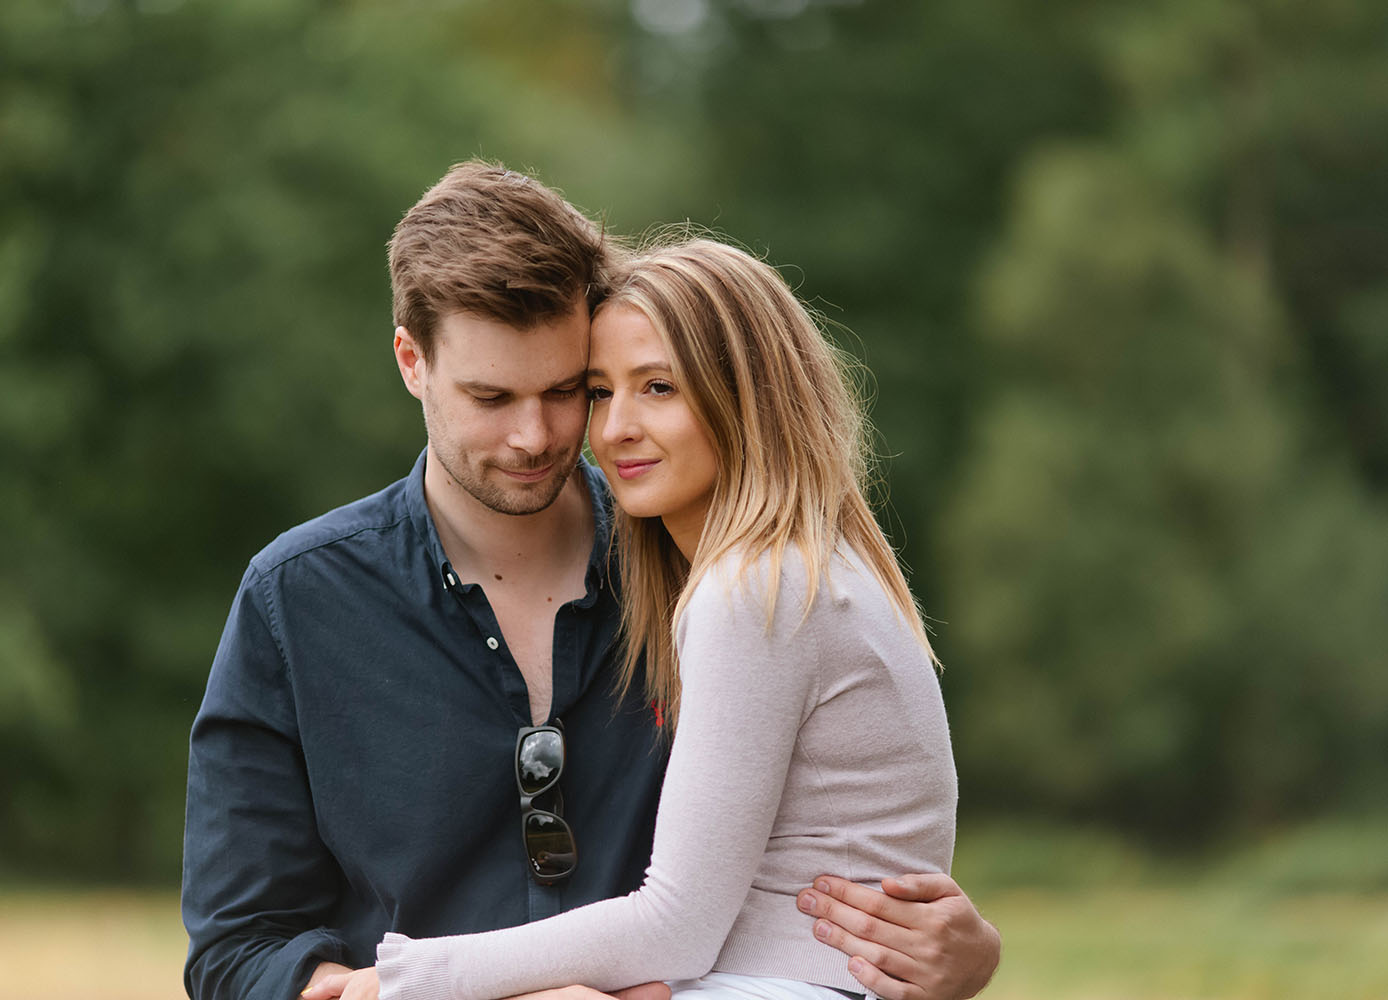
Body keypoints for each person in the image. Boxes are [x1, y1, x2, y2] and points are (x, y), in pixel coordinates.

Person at [182, 162, 1000, 1000]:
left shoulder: (695, 557)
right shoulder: (298, 599)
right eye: (491, 397)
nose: (536, 436)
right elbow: (237, 950)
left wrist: (958, 959)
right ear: (410, 361)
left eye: (569, 390)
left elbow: (834, 837)